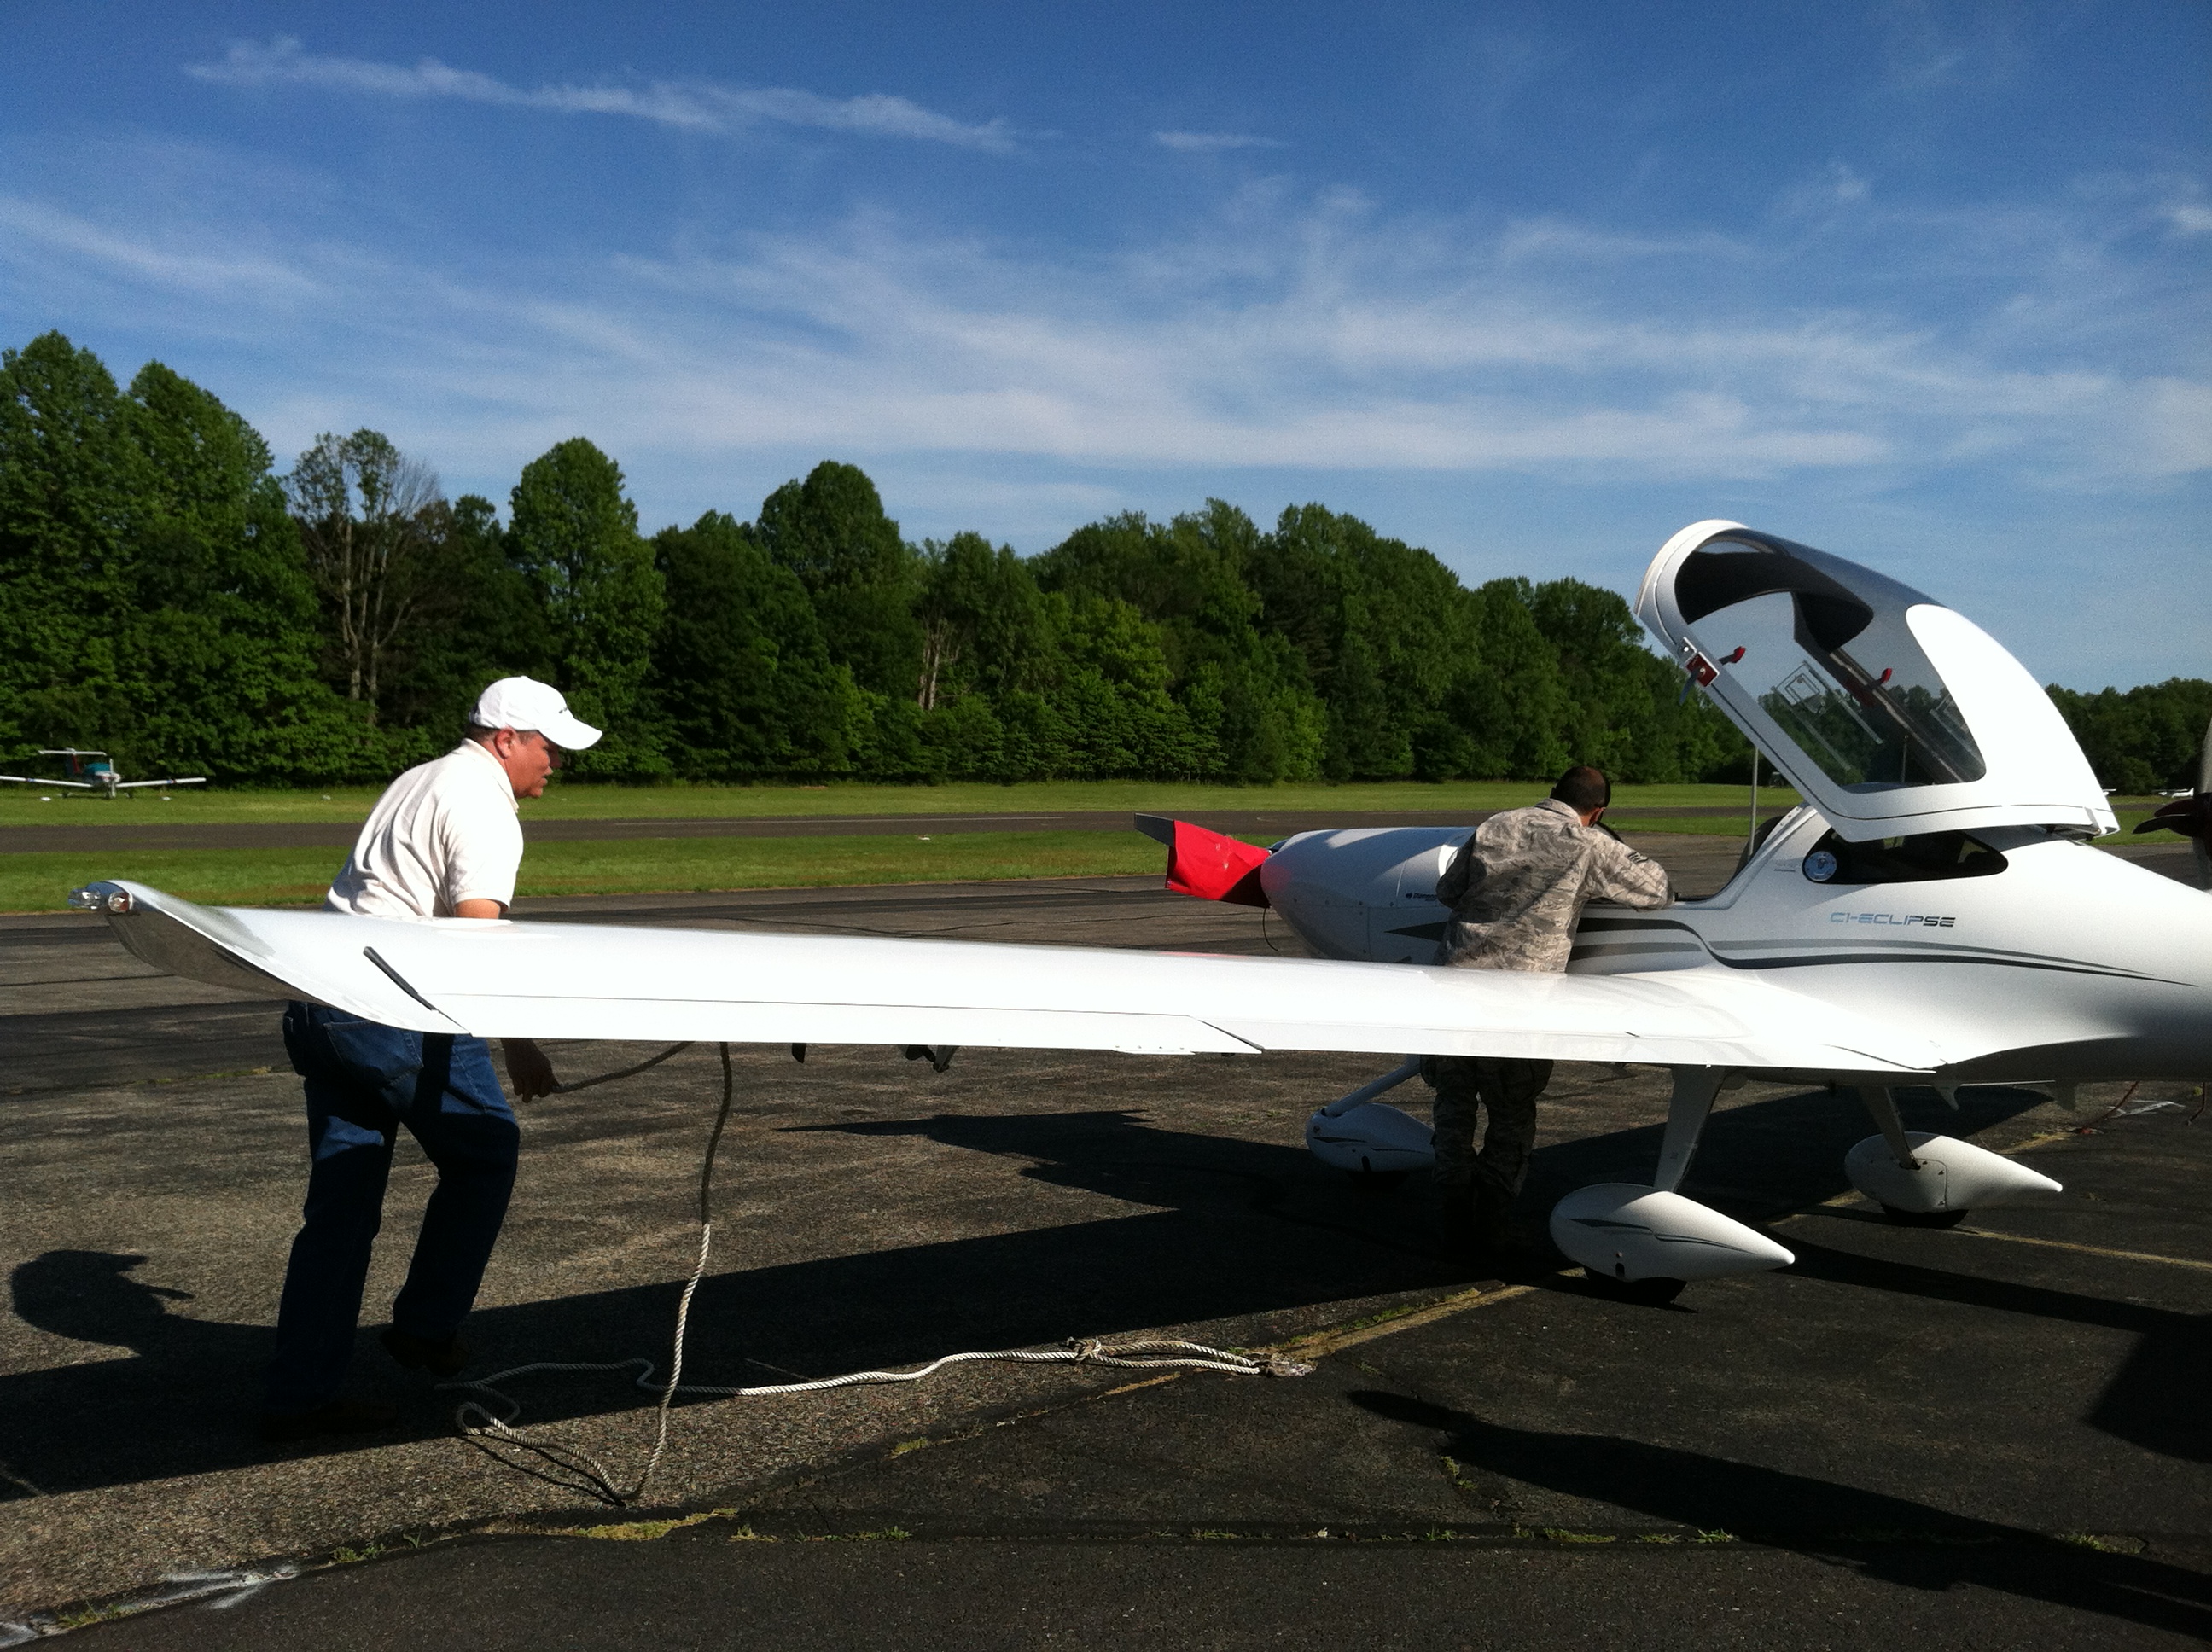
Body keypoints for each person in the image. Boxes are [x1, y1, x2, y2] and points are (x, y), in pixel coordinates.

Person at [259, 678, 601, 1440]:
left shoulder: (418, 778)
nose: (556, 764)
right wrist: (520, 1043)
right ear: (507, 739)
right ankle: (425, 1327)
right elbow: (477, 936)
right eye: (549, 747)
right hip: (389, 1010)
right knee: (486, 1153)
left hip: (318, 998)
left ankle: (298, 1399)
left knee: (340, 1215)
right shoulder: (483, 805)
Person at [1425, 765, 1671, 1260]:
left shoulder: (1495, 825)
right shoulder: (1587, 842)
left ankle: (1453, 1222)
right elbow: (1657, 889)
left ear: (1552, 794)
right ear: (1596, 810)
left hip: (1454, 991)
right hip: (1521, 1006)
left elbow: (1449, 893)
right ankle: (1491, 1227)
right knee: (1511, 1116)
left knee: (1453, 1111)